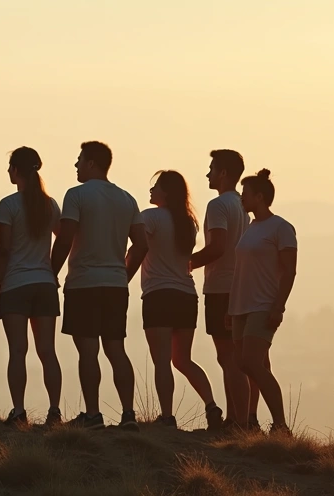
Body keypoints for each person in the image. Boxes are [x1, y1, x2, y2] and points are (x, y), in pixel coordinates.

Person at [51, 141, 145, 430]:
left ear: (91, 163)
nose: (76, 165)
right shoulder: (127, 199)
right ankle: (128, 413)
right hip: (115, 285)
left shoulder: (76, 195)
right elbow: (141, 244)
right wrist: (123, 275)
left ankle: (93, 414)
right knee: (116, 349)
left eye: (79, 160)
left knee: (88, 351)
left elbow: (65, 238)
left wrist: (50, 271)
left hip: (83, 284)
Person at [125, 171, 221, 430]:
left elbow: (138, 246)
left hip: (159, 295)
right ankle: (212, 405)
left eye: (155, 186)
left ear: (166, 192)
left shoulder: (150, 217)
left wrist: (122, 272)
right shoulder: (188, 222)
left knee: (162, 361)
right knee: (183, 359)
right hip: (186, 295)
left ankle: (167, 417)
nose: (151, 190)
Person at [0, 147, 64, 427]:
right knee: (47, 351)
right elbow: (63, 237)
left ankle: (18, 410)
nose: (8, 172)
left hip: (16, 285)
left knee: (18, 351)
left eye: (10, 167)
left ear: (17, 170)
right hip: (44, 284)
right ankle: (54, 410)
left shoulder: (9, 205)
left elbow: (3, 250)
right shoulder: (50, 205)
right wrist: (52, 268)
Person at [229, 169, 298, 435]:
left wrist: (278, 306)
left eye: (245, 194)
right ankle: (251, 424)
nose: (242, 199)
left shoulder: (281, 227)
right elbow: (241, 269)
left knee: (250, 362)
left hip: (263, 304)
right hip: (241, 306)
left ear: (259, 196)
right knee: (249, 362)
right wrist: (231, 306)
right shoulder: (250, 228)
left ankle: (280, 425)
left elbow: (289, 270)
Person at [189, 150, 250, 428]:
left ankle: (237, 421)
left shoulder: (218, 206)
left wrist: (187, 263)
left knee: (228, 358)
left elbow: (218, 247)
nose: (208, 174)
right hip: (238, 286)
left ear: (223, 173)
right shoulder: (241, 205)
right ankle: (236, 418)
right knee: (233, 357)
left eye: (212, 168)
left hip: (220, 289)